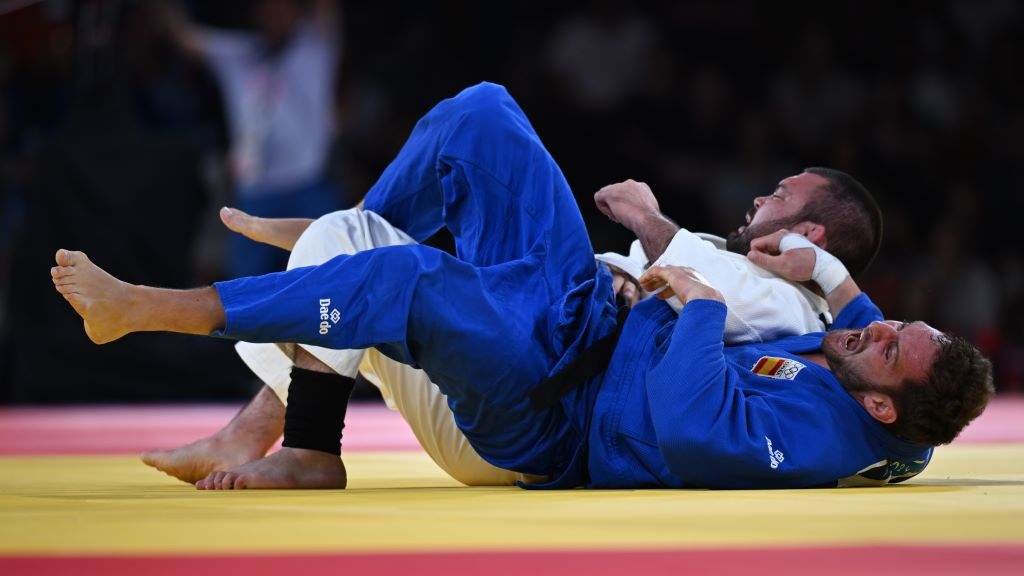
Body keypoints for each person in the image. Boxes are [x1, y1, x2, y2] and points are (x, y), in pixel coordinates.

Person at [52, 83, 993, 491]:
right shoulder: (873, 379)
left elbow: (689, 422)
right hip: (581, 310)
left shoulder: (818, 424)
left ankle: (153, 310)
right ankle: (352, 237)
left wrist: (694, 300)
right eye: (895, 325)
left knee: (404, 275)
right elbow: (866, 321)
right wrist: (830, 277)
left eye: (884, 347)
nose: (872, 326)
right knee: (484, 116)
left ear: (874, 404)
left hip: (555, 407)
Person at [161, 0, 343, 277]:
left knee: (330, 279)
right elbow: (183, 36)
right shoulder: (238, 54)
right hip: (256, 193)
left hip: (307, 186)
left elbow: (326, 9)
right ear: (256, 13)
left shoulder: (314, 47)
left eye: (283, 9)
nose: (275, 15)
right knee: (246, 288)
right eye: (268, 9)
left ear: (297, 13)